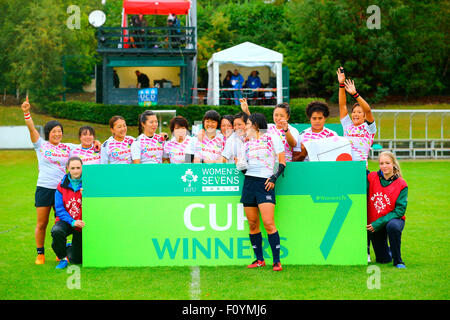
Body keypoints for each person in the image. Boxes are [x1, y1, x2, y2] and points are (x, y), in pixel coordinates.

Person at [21, 96, 79, 265]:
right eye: (54, 131)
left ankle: (60, 251)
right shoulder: (41, 145)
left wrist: (97, 142)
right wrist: (26, 113)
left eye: (59, 131)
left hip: (63, 190)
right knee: (42, 222)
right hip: (44, 188)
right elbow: (32, 129)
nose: (57, 134)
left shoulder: (68, 147)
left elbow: (85, 146)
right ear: (48, 133)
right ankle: (40, 253)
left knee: (62, 222)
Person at [239, 112, 286, 271]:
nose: (245, 127)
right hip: (249, 183)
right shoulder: (245, 142)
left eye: (247, 124)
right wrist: (241, 166)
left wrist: (273, 178)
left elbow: (282, 162)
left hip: (265, 183)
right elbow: (242, 166)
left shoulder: (272, 137)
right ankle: (259, 259)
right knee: (253, 224)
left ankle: (277, 261)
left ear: (255, 125)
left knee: (268, 223)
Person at [367, 152, 408, 269]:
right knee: (383, 259)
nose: (384, 166)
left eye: (387, 163)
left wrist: (378, 223)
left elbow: (399, 211)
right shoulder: (372, 177)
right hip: (376, 223)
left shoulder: (401, 184)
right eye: (381, 163)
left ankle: (398, 261)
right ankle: (389, 252)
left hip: (393, 220)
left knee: (393, 227)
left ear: (394, 164)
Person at [337, 67, 376, 165]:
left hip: (361, 168)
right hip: (346, 166)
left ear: (364, 116)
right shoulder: (347, 126)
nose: (355, 114)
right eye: (354, 112)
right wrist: (341, 84)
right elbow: (342, 105)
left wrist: (355, 94)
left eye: (359, 112)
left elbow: (367, 110)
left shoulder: (369, 128)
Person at [51, 157, 85, 269]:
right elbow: (59, 210)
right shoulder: (61, 186)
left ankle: (69, 246)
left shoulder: (88, 184)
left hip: (82, 223)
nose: (76, 171)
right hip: (66, 221)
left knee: (76, 260)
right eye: (73, 168)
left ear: (82, 168)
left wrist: (85, 195)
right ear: (67, 168)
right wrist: (72, 221)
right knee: (56, 231)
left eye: (78, 168)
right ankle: (62, 258)